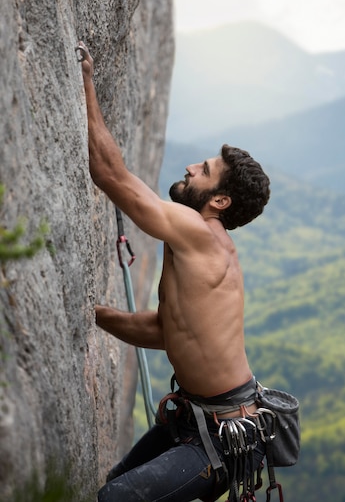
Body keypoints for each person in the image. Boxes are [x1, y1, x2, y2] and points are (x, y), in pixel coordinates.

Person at [78, 41, 271, 502]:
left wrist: (84, 79)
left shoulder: (200, 232)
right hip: (199, 417)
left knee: (117, 499)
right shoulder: (203, 246)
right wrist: (91, 315)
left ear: (218, 201)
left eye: (203, 170)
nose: (189, 167)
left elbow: (110, 173)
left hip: (221, 438)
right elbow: (169, 330)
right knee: (114, 486)